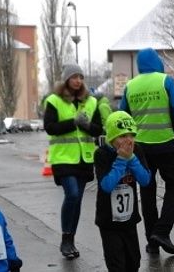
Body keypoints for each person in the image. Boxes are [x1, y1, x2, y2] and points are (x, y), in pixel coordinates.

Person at [119, 47, 174, 255]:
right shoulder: (165, 81)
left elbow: (122, 116)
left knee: (147, 191)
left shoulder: (130, 86)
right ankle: (162, 231)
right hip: (165, 143)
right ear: (157, 62)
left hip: (140, 148)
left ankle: (152, 241)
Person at [43, 64, 103, 259]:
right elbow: (50, 127)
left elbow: (97, 130)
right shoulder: (54, 100)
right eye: (74, 77)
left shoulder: (91, 101)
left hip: (84, 158)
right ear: (66, 79)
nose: (78, 80)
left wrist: (86, 124)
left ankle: (70, 239)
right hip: (63, 158)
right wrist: (73, 122)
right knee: (72, 194)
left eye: (81, 77)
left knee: (77, 200)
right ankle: (65, 239)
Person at [94, 111, 151, 272]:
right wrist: (121, 161)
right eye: (122, 136)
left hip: (129, 220)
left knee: (134, 262)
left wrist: (131, 159)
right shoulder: (102, 154)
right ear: (111, 138)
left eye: (131, 135)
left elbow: (145, 180)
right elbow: (106, 185)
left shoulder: (137, 150)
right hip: (109, 222)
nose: (128, 141)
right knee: (117, 265)